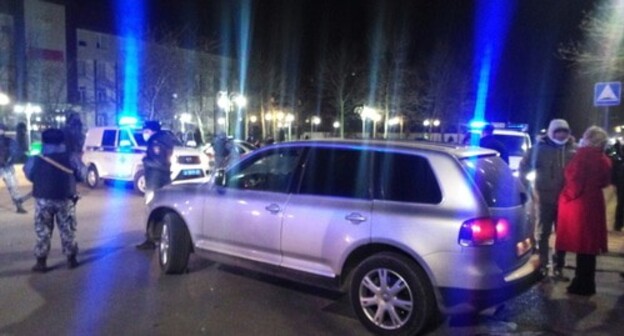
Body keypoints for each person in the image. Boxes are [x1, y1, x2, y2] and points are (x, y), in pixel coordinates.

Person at [556, 126, 611, 296]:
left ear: (587, 138)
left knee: (582, 244)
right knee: (589, 246)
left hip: (579, 205)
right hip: (594, 202)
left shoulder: (581, 157)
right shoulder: (604, 159)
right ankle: (587, 282)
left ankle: (580, 283)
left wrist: (565, 197)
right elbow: (604, 182)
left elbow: (575, 182)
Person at [519, 118, 576, 281]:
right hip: (544, 197)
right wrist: (527, 187)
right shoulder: (539, 149)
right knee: (543, 233)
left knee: (563, 234)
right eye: (558, 132)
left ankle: (559, 266)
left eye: (564, 132)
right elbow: (524, 167)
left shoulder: (573, 150)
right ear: (552, 133)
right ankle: (543, 265)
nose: (561, 135)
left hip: (566, 200)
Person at [23, 128, 86, 272]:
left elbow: (29, 173)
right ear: (62, 140)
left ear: (43, 140)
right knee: (68, 229)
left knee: (42, 229)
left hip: (42, 199)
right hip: (65, 198)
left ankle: (41, 261)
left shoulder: (36, 157)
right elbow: (82, 174)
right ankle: (71, 259)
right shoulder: (70, 157)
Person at [135, 120, 175, 250]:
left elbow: (158, 162)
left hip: (155, 179)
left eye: (146, 131)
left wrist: (146, 161)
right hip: (164, 178)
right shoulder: (166, 140)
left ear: (152, 131)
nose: (144, 134)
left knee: (151, 207)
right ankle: (162, 235)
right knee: (162, 208)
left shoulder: (155, 142)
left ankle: (151, 238)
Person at [0, 123, 28, 214]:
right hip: (6, 167)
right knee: (13, 187)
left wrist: (9, 159)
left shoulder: (9, 141)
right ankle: (18, 206)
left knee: (13, 187)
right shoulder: (9, 141)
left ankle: (19, 205)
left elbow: (16, 152)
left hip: (7, 167)